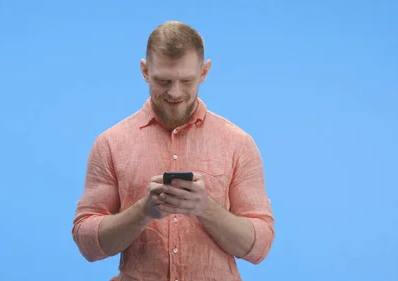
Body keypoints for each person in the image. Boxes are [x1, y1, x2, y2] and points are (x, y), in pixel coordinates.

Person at [72, 20, 275, 281]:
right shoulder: (111, 143)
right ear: (145, 71)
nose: (175, 93)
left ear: (204, 72)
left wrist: (205, 208)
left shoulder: (238, 144)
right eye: (163, 80)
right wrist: (143, 210)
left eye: (186, 80)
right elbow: (87, 244)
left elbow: (259, 247)